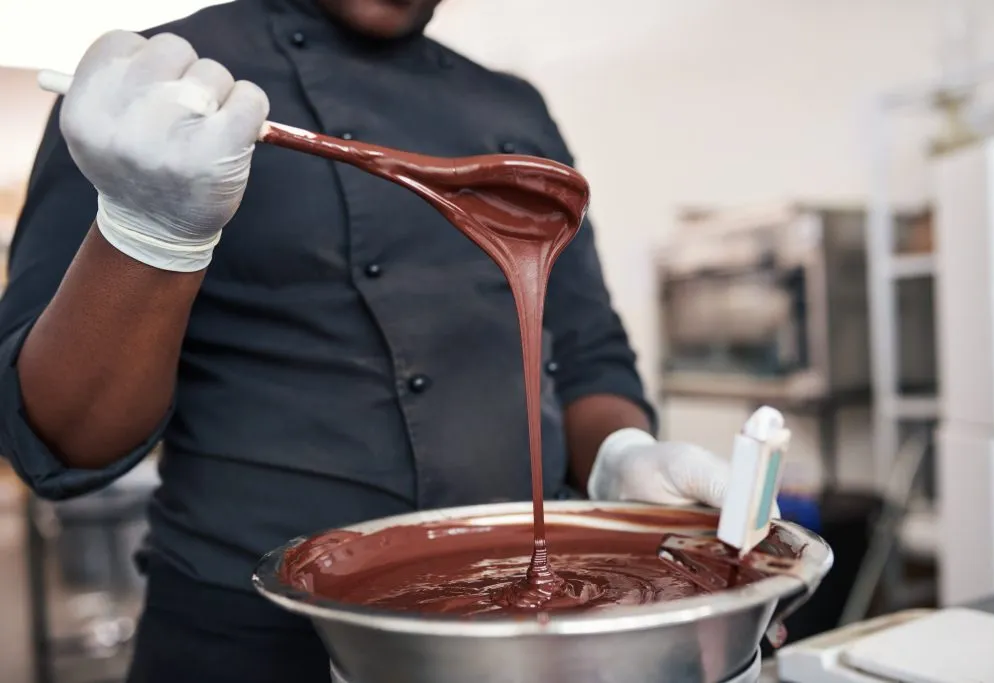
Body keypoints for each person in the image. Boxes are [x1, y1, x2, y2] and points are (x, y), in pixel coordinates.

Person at [0, 1, 741, 681]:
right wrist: (149, 233)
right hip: (246, 637)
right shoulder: (160, 88)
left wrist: (623, 456)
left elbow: (586, 350)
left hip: (516, 624)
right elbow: (59, 439)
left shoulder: (512, 107)